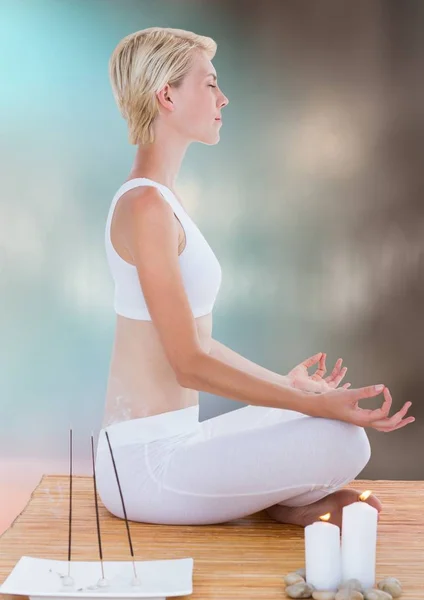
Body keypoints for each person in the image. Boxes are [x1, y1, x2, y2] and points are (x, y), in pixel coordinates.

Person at [95, 27, 414, 528]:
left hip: (177, 441)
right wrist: (318, 403)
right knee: (341, 438)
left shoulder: (160, 202)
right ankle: (276, 500)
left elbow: (198, 343)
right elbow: (189, 365)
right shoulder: (145, 206)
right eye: (210, 83)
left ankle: (275, 499)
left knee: (316, 419)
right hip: (143, 468)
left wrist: (294, 389)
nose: (224, 97)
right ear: (167, 96)